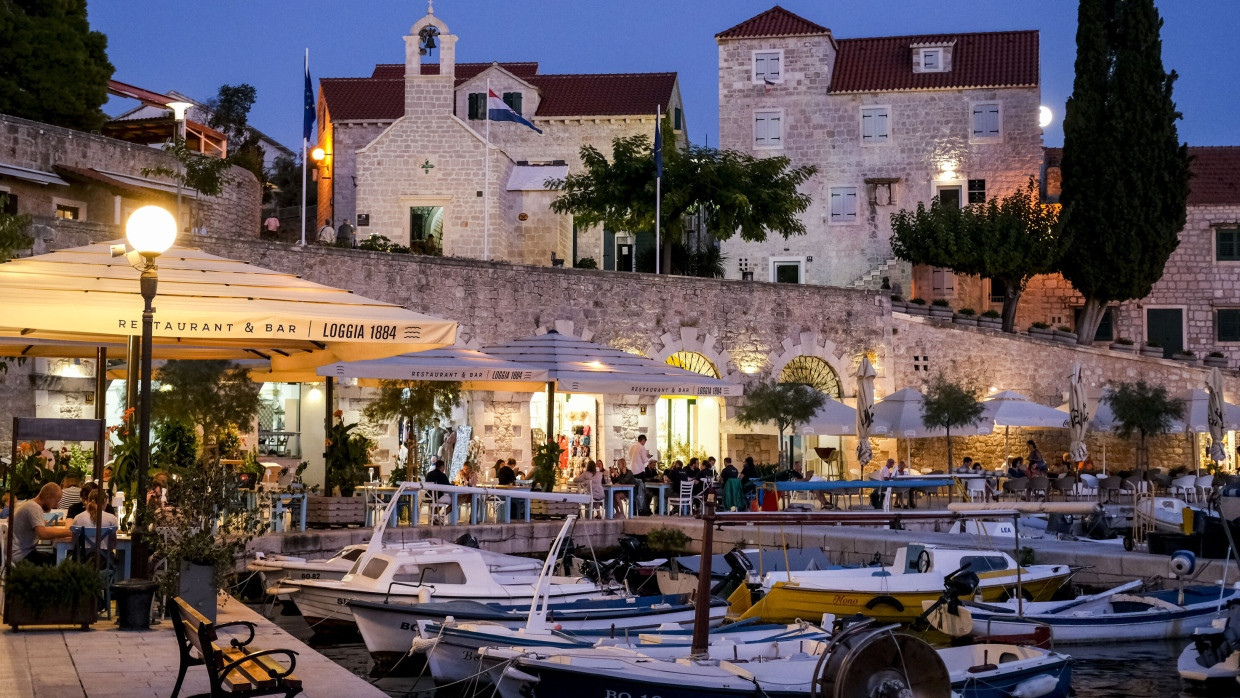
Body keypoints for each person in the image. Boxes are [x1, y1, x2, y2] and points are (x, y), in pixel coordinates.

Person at [11, 483, 72, 564]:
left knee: (54, 557)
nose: (56, 505)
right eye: (56, 501)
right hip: (21, 555)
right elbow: (43, 534)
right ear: (47, 497)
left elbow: (41, 525)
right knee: (61, 562)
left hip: (17, 552)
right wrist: (70, 532)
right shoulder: (34, 507)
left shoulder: (27, 503)